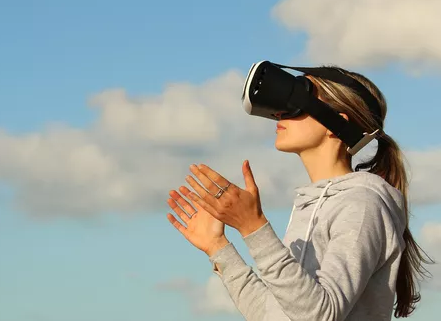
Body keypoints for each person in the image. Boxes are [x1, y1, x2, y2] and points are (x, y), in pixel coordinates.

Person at [166, 66, 434, 321]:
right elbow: (276, 315)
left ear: (335, 124)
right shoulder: (309, 206)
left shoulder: (363, 205)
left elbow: (320, 315)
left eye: (298, 98)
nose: (279, 113)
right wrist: (218, 248)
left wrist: (253, 227)